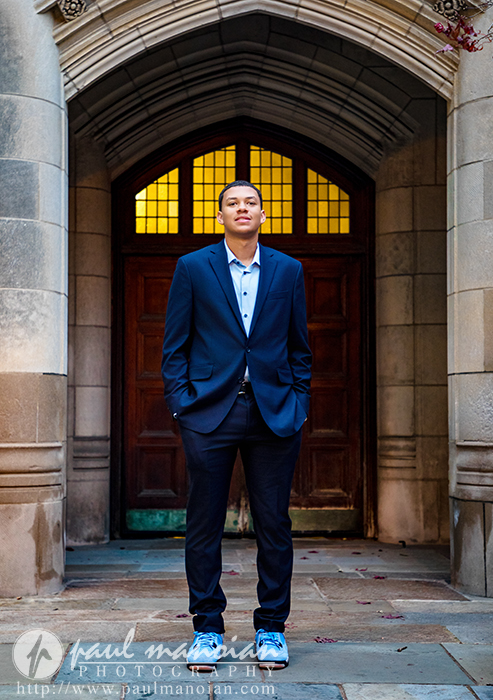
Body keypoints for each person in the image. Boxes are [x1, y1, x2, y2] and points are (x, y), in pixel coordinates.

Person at [161, 180, 312, 671]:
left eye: (251, 203)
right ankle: (207, 628)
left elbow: (299, 348)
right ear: (220, 216)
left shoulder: (289, 271)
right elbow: (174, 347)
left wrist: (298, 402)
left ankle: (271, 628)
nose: (242, 209)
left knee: (275, 524)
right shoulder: (193, 268)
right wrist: (183, 404)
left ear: (263, 215)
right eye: (232, 203)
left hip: (273, 411)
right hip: (209, 412)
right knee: (204, 523)